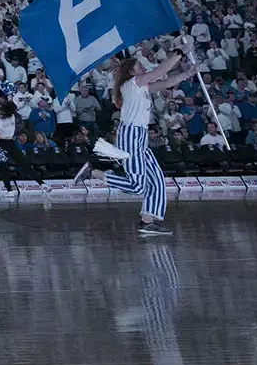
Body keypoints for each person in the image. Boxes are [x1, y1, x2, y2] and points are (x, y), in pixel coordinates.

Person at [79, 51, 193, 237]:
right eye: (140, 66)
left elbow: (165, 82)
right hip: (130, 134)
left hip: (139, 135)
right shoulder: (132, 83)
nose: (143, 68)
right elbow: (159, 72)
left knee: (156, 180)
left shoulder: (141, 87)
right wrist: (179, 52)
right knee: (138, 186)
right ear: (131, 72)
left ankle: (148, 221)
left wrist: (187, 74)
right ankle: (93, 172)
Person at [0, 94, 39, 195]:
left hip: (6, 143)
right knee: (10, 166)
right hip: (4, 143)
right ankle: (10, 189)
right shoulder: (3, 119)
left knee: (16, 164)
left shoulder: (8, 118)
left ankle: (39, 183)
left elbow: (11, 107)